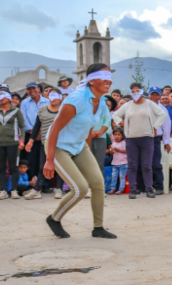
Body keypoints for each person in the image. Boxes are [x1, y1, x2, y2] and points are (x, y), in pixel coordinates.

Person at [43, 64, 116, 239]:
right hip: (59, 146)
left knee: (98, 184)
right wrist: (50, 159)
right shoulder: (76, 99)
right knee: (80, 189)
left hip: (79, 145)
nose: (108, 81)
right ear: (91, 80)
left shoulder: (101, 104)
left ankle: (98, 228)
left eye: (109, 77)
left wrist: (86, 153)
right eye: (103, 76)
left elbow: (89, 129)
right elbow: (54, 129)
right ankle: (54, 219)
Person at [112, 82, 167, 199]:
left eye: (138, 91)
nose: (135, 93)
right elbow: (116, 115)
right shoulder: (127, 105)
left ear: (142, 91)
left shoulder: (149, 104)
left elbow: (162, 114)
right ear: (130, 92)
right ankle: (133, 189)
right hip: (131, 138)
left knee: (147, 165)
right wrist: (122, 124)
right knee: (132, 165)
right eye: (133, 91)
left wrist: (155, 127)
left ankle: (149, 189)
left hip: (147, 138)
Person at [24, 89, 65, 200]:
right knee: (43, 166)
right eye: (51, 95)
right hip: (45, 142)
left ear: (60, 98)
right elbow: (37, 126)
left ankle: (59, 189)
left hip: (61, 142)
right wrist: (31, 141)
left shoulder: (64, 110)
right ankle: (37, 190)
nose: (53, 98)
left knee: (60, 167)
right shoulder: (42, 110)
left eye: (56, 95)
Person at [0, 90, 25, 200]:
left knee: (14, 167)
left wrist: (22, 141)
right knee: (0, 167)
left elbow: (22, 127)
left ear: (9, 98)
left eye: (3, 96)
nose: (1, 98)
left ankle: (14, 191)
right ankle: (2, 191)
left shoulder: (16, 111)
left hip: (13, 143)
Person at [20, 81, 50, 179]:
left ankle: (45, 185)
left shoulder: (47, 101)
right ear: (27, 91)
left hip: (45, 135)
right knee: (31, 160)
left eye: (34, 88)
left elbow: (49, 118)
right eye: (29, 89)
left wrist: (41, 131)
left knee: (44, 160)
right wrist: (34, 132)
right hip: (30, 135)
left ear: (38, 89)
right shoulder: (24, 103)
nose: (32, 91)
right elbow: (23, 119)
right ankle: (31, 183)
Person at [146, 86, 172, 195]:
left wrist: (167, 142)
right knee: (145, 163)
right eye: (153, 94)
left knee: (156, 163)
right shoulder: (144, 107)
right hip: (144, 137)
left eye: (157, 95)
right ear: (149, 96)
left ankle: (159, 186)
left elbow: (166, 126)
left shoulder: (162, 109)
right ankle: (147, 186)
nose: (155, 97)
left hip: (156, 138)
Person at [106, 127, 127, 195]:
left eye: (119, 135)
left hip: (123, 163)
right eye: (115, 134)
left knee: (121, 177)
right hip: (115, 163)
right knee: (114, 176)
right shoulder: (113, 144)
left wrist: (118, 150)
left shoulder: (123, 143)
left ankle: (121, 189)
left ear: (122, 136)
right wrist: (111, 151)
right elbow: (112, 152)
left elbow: (126, 151)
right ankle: (113, 189)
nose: (117, 136)